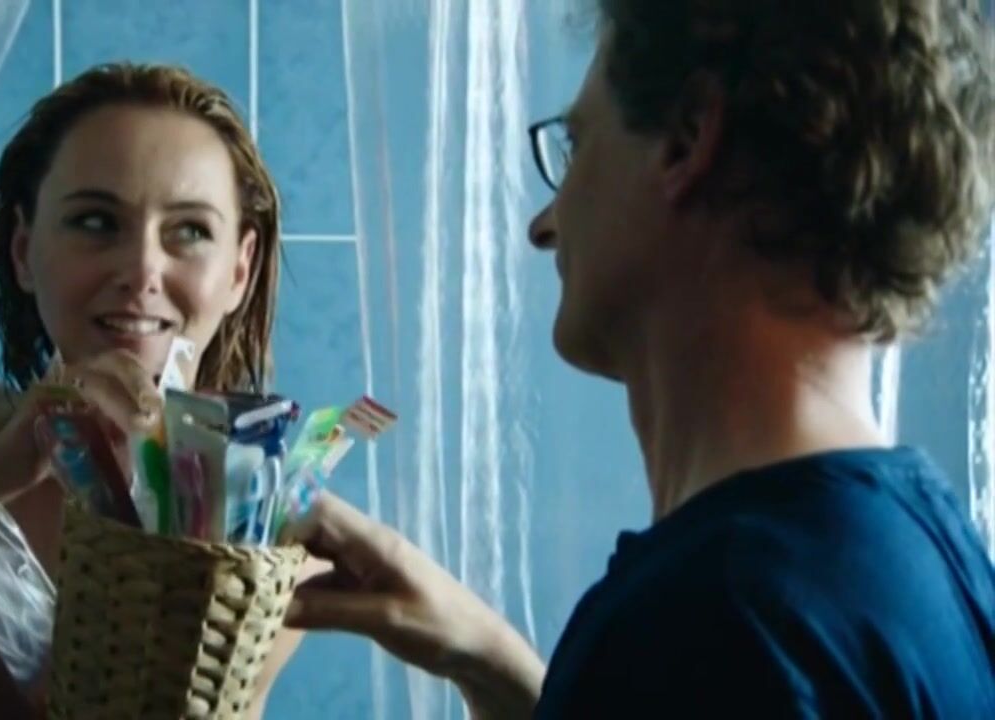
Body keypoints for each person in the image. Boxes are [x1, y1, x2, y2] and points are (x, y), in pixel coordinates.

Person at [283, 1, 995, 717]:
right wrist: (491, 661)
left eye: (576, 145)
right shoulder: (933, 553)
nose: (544, 225)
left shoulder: (707, 624)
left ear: (687, 139)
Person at [0, 63, 321, 717]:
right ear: (23, 252)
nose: (142, 270)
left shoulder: (266, 541)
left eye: (189, 230)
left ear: (239, 270)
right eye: (97, 222)